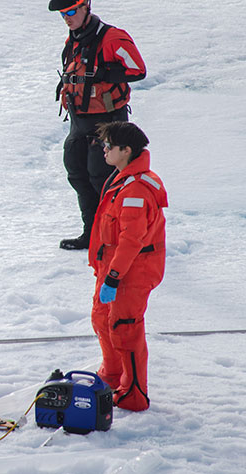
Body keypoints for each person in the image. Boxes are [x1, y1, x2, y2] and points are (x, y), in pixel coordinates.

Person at [49, 0, 147, 250]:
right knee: (78, 174)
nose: (66, 19)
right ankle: (91, 234)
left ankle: (112, 237)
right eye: (63, 15)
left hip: (108, 122)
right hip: (80, 122)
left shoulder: (113, 38)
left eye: (71, 12)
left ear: (85, 6)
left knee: (101, 178)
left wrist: (105, 73)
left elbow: (138, 70)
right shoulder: (74, 40)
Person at [89, 121, 166, 412]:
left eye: (109, 146)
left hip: (131, 270)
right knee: (101, 318)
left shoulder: (136, 189)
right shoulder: (121, 177)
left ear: (127, 150)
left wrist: (113, 278)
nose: (104, 150)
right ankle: (112, 375)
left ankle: (133, 393)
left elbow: (132, 240)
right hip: (112, 266)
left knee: (124, 327)